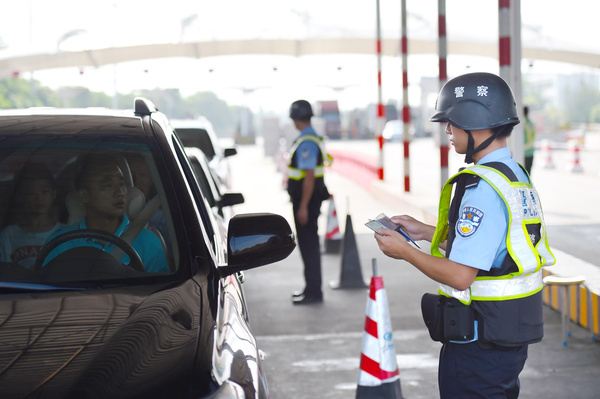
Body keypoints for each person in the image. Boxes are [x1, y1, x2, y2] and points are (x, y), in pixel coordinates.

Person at [373, 72, 555, 398]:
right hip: (506, 335)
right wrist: (427, 233)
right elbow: (491, 249)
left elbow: (460, 275)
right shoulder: (513, 175)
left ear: (474, 122)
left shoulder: (483, 187)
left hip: (479, 343)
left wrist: (406, 251)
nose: (447, 131)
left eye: (452, 122)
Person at [44, 154, 168, 273]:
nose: (119, 192)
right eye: (108, 185)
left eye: (121, 184)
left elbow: (162, 293)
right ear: (85, 195)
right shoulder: (60, 244)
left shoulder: (148, 243)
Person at [287, 99, 331, 305]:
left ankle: (314, 292)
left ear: (296, 119)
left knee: (309, 246)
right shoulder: (311, 138)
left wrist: (303, 206)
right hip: (308, 201)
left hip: (307, 202)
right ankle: (310, 289)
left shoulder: (307, 142)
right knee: (308, 246)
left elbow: (309, 176)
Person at [0, 163, 64, 268]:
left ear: (53, 194)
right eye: (31, 193)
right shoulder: (7, 237)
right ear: (19, 197)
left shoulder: (65, 234)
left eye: (44, 192)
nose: (39, 198)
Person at [523, 105, 537, 175]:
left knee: (523, 176)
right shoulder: (532, 123)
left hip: (524, 153)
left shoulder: (522, 124)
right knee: (528, 174)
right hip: (531, 152)